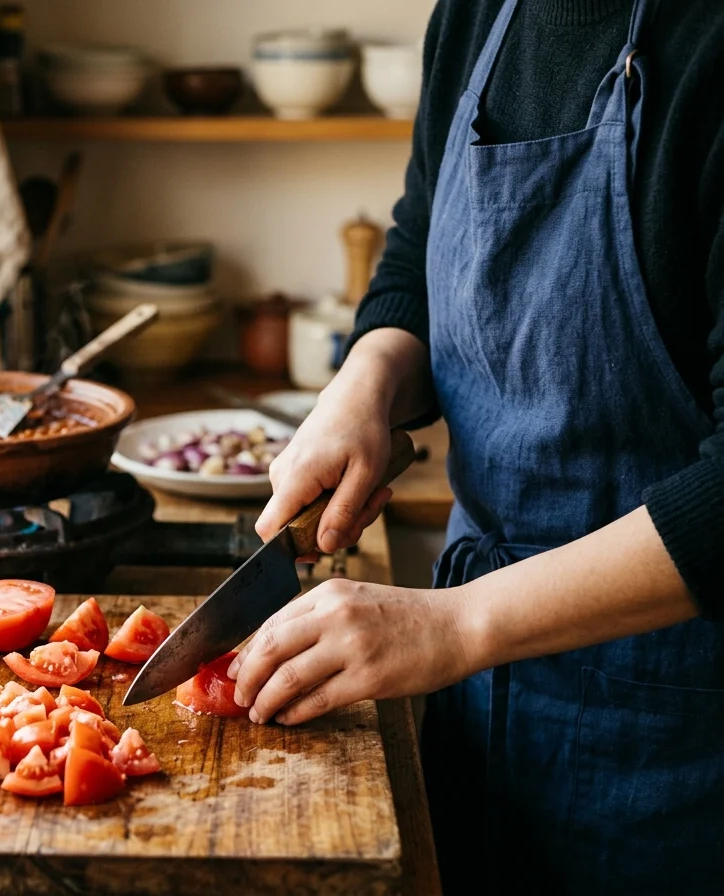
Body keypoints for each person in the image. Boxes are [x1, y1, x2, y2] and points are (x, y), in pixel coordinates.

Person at [227, 0, 724, 892]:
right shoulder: (477, 13)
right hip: (479, 710)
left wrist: (455, 624)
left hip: (673, 748)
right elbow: (419, 250)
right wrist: (368, 380)